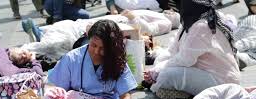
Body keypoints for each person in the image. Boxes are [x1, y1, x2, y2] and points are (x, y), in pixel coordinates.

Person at [143, 0, 240, 99]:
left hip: (221, 81)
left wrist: (158, 71)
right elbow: (172, 50)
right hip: (202, 72)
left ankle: (185, 91)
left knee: (166, 75)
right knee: (161, 64)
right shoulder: (190, 21)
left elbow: (185, 60)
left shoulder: (202, 25)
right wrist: (155, 69)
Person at [21, 10, 180, 61]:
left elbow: (148, 29)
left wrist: (132, 17)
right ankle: (43, 32)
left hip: (121, 25)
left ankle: (38, 40)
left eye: (174, 13)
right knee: (77, 27)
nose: (170, 12)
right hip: (115, 21)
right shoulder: (157, 12)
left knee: (74, 39)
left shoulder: (166, 21)